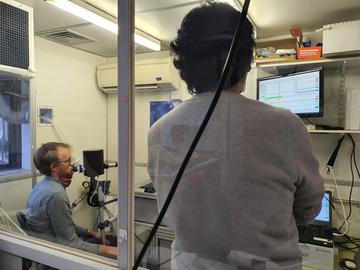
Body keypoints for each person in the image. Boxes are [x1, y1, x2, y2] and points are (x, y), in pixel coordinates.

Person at [147, 1, 324, 269]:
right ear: (246, 64)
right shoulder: (287, 125)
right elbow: (309, 209)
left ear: (185, 66)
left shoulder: (159, 130)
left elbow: (169, 208)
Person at [24, 142, 117, 257]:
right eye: (68, 161)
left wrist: (91, 233)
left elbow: (65, 224)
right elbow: (71, 244)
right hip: (54, 252)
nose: (72, 164)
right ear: (54, 167)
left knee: (110, 239)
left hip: (48, 242)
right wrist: (109, 251)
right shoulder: (56, 195)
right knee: (115, 246)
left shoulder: (42, 185)